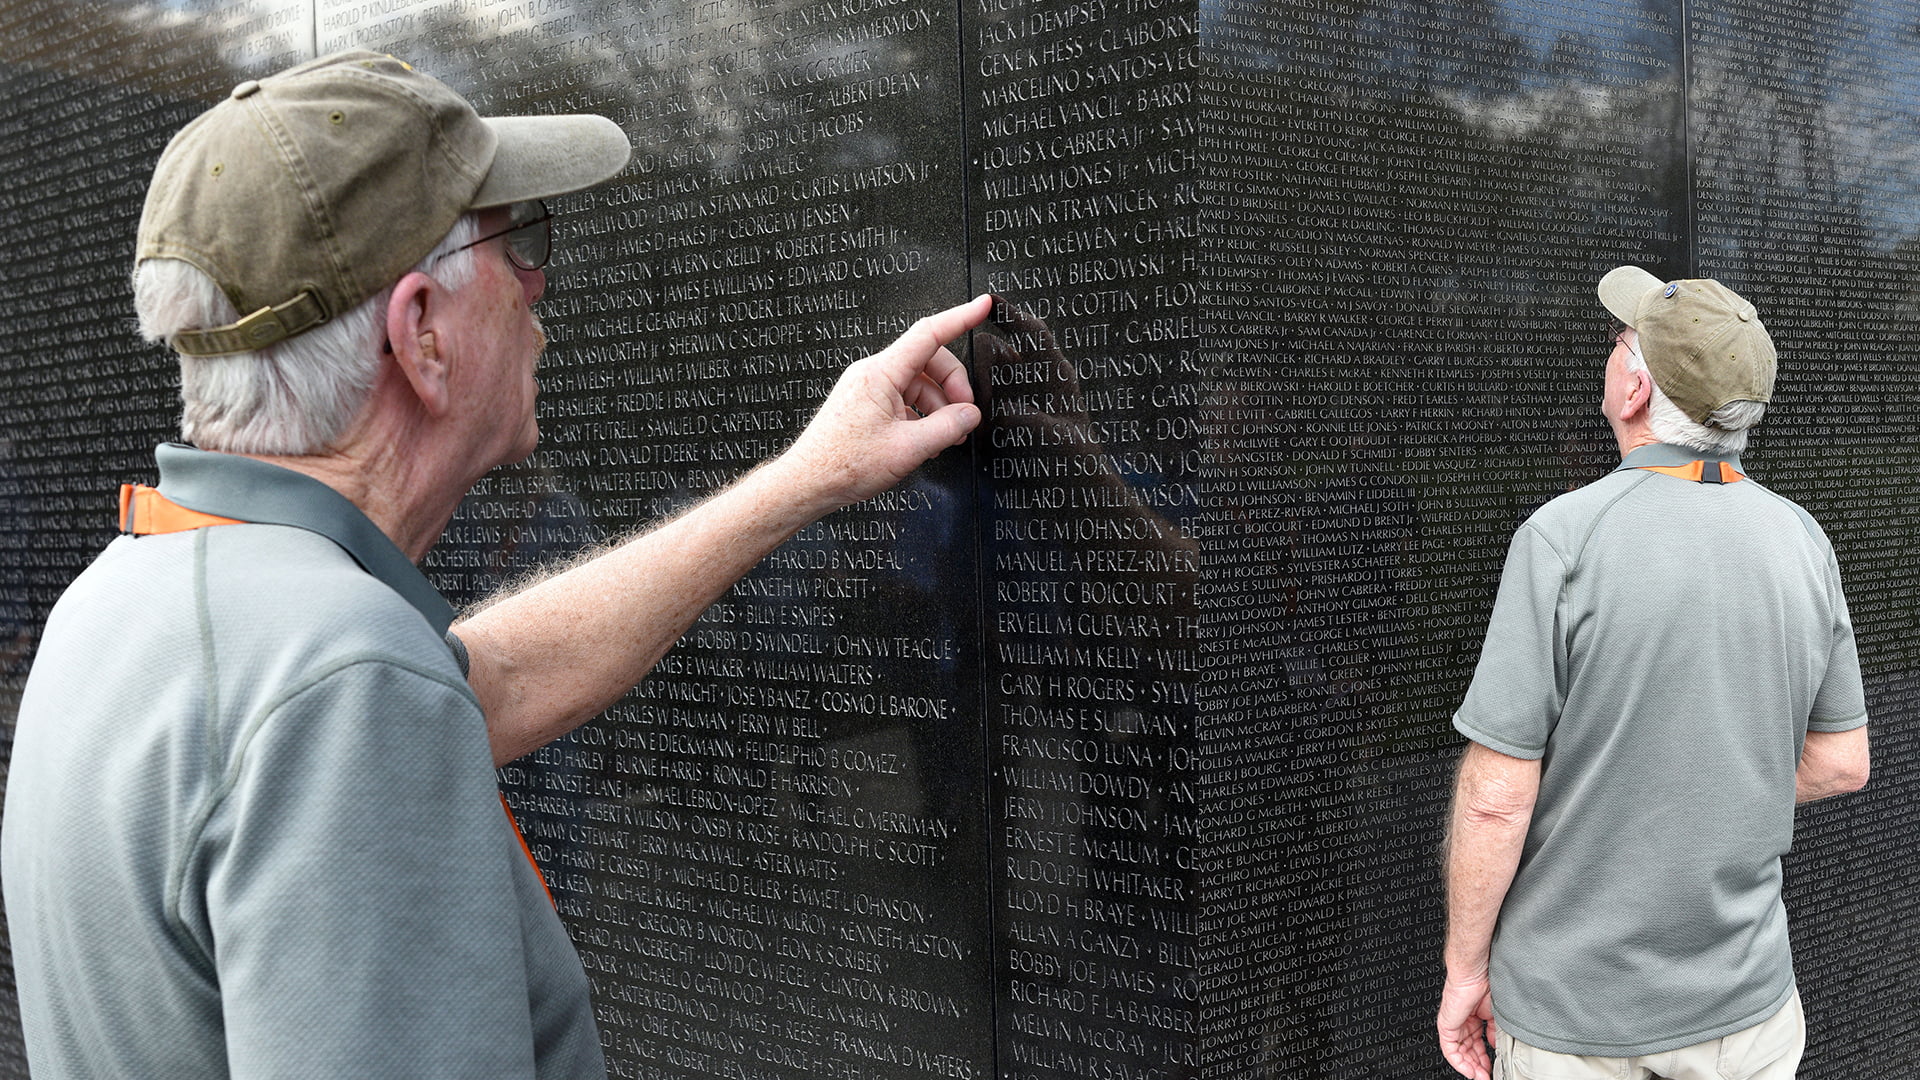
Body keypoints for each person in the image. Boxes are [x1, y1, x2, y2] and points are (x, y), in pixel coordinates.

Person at [0, 50, 988, 1079]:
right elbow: (382, 693)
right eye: (514, 244)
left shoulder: (132, 599)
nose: (537, 283)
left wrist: (804, 480)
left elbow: (494, 677)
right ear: (422, 335)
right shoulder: (343, 685)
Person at [1436, 267, 1871, 1080]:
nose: (1606, 361)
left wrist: (1466, 973)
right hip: (1752, 1015)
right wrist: (1714, 785)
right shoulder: (1803, 541)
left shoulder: (1565, 537)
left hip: (1576, 1021)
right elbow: (1844, 763)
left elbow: (1496, 800)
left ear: (1635, 389)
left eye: (1615, 346)